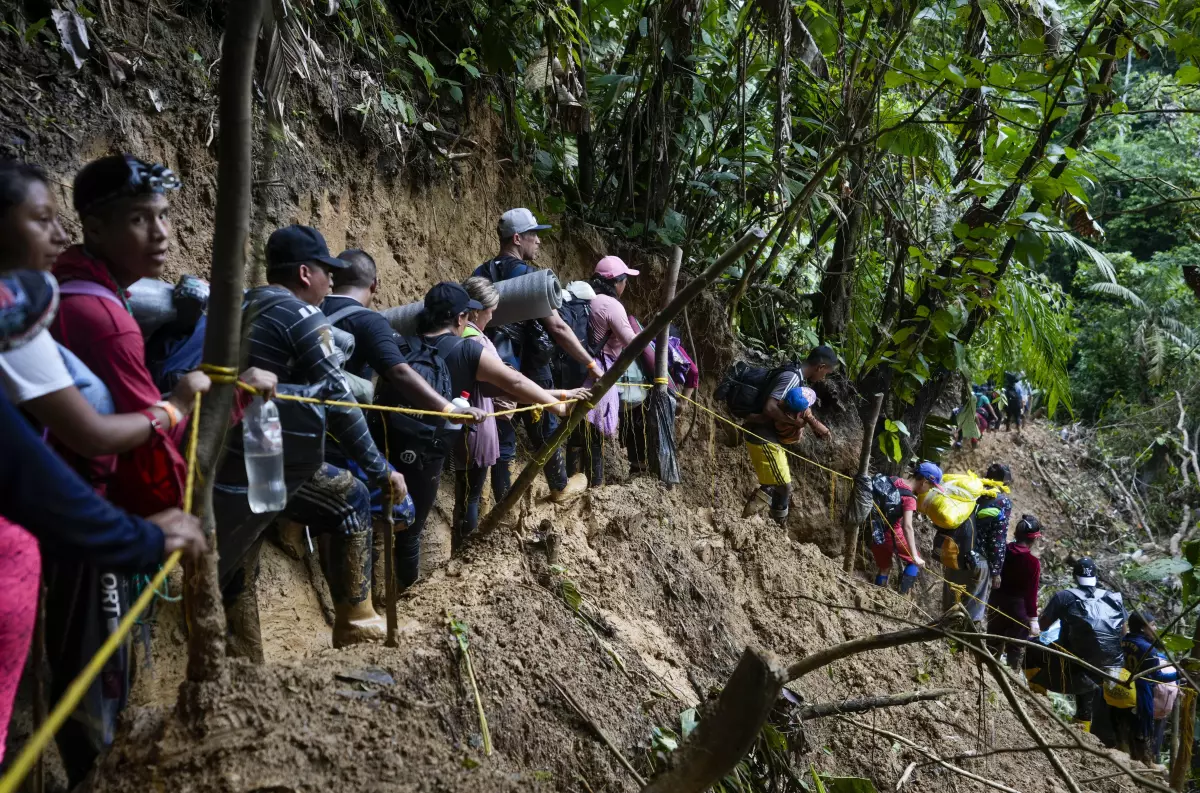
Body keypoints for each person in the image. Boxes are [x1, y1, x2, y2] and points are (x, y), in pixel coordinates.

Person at [0, 268, 207, 762]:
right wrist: (175, 410)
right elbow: (83, 441)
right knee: (91, 685)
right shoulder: (100, 319)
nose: (159, 230)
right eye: (141, 217)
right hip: (87, 532)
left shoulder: (60, 307)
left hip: (75, 534)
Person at [215, 225, 407, 652]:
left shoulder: (241, 306)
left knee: (239, 561)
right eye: (326, 271)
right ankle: (355, 619)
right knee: (351, 497)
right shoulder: (301, 316)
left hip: (223, 456)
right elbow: (337, 398)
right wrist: (380, 470)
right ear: (305, 273)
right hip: (269, 458)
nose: (331, 281)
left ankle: (242, 663)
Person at [370, 282, 584, 588]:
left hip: (384, 442)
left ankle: (368, 596)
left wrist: (561, 393)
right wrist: (556, 407)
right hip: (425, 454)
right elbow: (514, 383)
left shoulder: (403, 344)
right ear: (460, 318)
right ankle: (406, 597)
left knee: (377, 519)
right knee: (411, 530)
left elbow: (504, 389)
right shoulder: (467, 350)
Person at [473, 208, 595, 501]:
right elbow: (558, 328)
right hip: (524, 362)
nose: (538, 242)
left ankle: (500, 497)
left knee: (503, 426)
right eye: (533, 235)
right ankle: (559, 486)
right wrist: (590, 363)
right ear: (517, 238)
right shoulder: (529, 277)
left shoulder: (480, 272)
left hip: (487, 358)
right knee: (546, 423)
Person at [740, 346, 837, 524]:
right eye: (826, 373)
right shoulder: (792, 377)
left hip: (768, 436)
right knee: (783, 485)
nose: (824, 377)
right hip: (763, 436)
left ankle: (771, 528)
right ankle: (767, 525)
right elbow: (769, 408)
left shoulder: (797, 378)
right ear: (820, 367)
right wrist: (795, 423)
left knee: (777, 484)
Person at [1036, 557, 1127, 732]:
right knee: (1087, 701)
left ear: (1074, 576)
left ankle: (1036, 704)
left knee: (1034, 651)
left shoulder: (1064, 597)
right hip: (1108, 662)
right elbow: (1123, 632)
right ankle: (1083, 729)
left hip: (1071, 658)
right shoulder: (1112, 597)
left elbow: (1042, 627)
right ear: (1096, 576)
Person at [579, 256, 641, 487]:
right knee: (594, 435)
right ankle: (594, 487)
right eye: (625, 280)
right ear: (617, 282)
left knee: (577, 433)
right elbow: (631, 342)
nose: (625, 286)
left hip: (578, 368)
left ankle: (575, 479)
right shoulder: (611, 305)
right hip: (598, 374)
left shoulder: (585, 296)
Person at [623, 315, 699, 474]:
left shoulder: (646, 341)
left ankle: (639, 468)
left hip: (639, 393)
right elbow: (693, 372)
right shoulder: (673, 346)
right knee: (660, 433)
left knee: (638, 429)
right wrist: (683, 403)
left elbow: (693, 372)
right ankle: (658, 471)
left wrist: (683, 403)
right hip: (662, 397)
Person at [920, 462, 991, 623]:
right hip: (972, 559)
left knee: (951, 594)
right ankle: (963, 632)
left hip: (952, 555)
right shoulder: (972, 504)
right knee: (971, 602)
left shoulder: (957, 507)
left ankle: (948, 625)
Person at [1120, 611, 1178, 766]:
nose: (1156, 627)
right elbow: (1157, 677)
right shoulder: (1148, 649)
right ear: (1142, 629)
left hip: (1122, 690)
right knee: (1142, 731)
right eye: (1152, 625)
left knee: (1126, 729)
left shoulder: (1123, 641)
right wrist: (1178, 674)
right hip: (1141, 694)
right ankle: (1145, 762)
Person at [987, 515, 1043, 670]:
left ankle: (988, 669)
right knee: (1016, 647)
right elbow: (1031, 595)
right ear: (1033, 540)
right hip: (1018, 610)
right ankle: (1012, 678)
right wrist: (1033, 619)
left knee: (993, 638)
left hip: (996, 602)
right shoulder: (1033, 563)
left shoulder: (1003, 550)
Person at [868, 470, 927, 593]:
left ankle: (878, 594)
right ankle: (902, 597)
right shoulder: (910, 498)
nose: (929, 490)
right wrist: (915, 555)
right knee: (915, 561)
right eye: (930, 487)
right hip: (892, 535)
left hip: (875, 531)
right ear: (923, 482)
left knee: (885, 566)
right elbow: (907, 526)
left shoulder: (893, 479)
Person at [975, 463, 1014, 593]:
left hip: (958, 551)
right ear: (1003, 483)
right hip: (979, 561)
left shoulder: (974, 492)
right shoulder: (1002, 502)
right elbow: (997, 538)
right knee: (972, 610)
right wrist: (996, 571)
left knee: (950, 603)